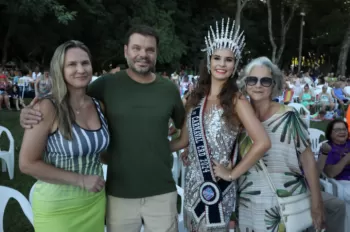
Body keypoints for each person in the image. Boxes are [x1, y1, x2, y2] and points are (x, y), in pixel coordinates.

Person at [20, 25, 185, 232]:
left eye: (150, 50)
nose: (143, 54)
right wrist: (29, 113)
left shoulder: (165, 90)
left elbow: (182, 123)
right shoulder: (104, 86)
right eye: (136, 48)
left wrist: (171, 145)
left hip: (139, 193)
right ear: (126, 51)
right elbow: (27, 162)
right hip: (100, 196)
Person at [170, 18, 271, 231]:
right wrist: (158, 145)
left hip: (219, 186)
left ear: (235, 65)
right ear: (208, 61)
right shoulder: (195, 98)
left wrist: (232, 173)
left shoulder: (237, 100)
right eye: (217, 58)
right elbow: (184, 140)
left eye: (228, 60)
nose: (222, 65)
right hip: (192, 183)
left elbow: (262, 142)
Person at [19, 40, 110, 232]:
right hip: (57, 207)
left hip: (94, 201)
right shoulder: (47, 107)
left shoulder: (98, 106)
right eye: (72, 64)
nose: (81, 69)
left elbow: (99, 153)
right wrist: (81, 180)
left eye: (85, 63)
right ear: (59, 69)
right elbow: (27, 163)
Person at [229, 57, 325, 231]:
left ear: (274, 85)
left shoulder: (289, 116)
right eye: (252, 80)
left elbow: (308, 160)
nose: (258, 85)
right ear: (245, 83)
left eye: (265, 80)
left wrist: (317, 201)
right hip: (247, 205)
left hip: (285, 205)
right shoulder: (239, 121)